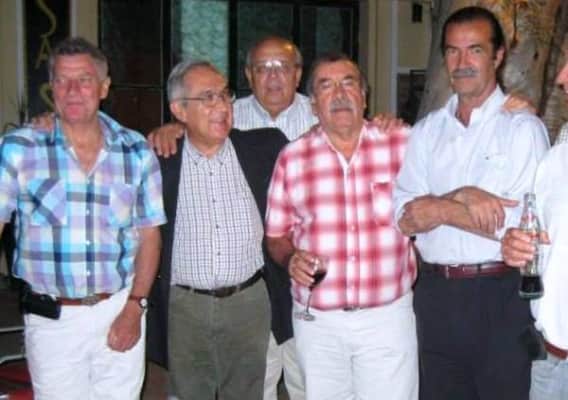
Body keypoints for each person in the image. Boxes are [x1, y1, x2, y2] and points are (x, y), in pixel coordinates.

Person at [393, 6, 550, 400]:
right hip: (435, 295)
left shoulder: (523, 130)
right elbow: (406, 217)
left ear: (498, 56)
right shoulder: (426, 132)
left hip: (500, 296)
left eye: (475, 50)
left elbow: (521, 227)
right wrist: (463, 196)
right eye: (452, 51)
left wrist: (442, 209)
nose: (462, 62)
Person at [0, 37, 165, 399]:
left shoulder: (136, 150)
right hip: (52, 318)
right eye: (62, 80)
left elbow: (149, 236)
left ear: (104, 87)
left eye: (84, 80)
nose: (73, 90)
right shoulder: (20, 149)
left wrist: (135, 306)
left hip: (119, 306)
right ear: (52, 87)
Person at [265, 52, 418, 399]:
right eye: (326, 86)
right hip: (318, 323)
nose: (339, 94)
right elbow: (275, 235)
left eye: (348, 84)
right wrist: (290, 258)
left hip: (387, 318)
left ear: (364, 96)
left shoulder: (402, 143)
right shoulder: (293, 158)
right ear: (313, 104)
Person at [145, 59, 288, 400]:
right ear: (179, 109)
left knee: (248, 393)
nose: (222, 106)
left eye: (224, 95)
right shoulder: (159, 160)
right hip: (184, 305)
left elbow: (319, 140)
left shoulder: (264, 148)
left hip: (249, 301)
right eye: (207, 97)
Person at [501, 59, 568, 400]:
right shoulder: (556, 159)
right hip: (551, 358)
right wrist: (515, 246)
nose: (561, 77)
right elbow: (544, 240)